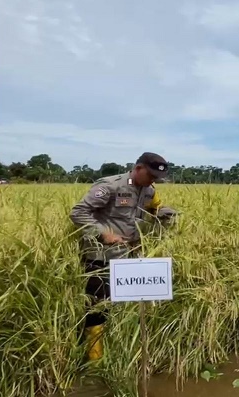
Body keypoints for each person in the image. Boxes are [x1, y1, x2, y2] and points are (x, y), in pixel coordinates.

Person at [69, 152, 177, 361]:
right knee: (98, 307)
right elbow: (78, 212)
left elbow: (153, 208)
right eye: (151, 175)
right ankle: (94, 359)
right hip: (101, 258)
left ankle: (120, 350)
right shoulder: (110, 186)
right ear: (138, 168)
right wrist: (103, 233)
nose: (153, 180)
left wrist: (164, 212)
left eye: (157, 178)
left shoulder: (148, 190)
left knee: (123, 306)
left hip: (129, 257)